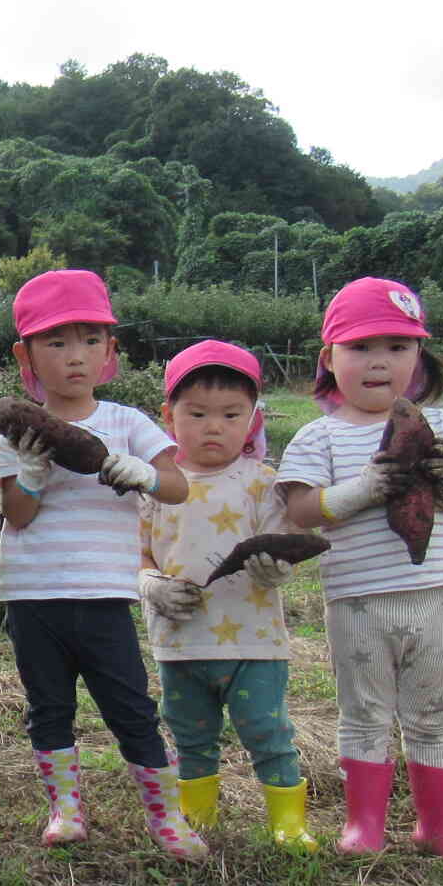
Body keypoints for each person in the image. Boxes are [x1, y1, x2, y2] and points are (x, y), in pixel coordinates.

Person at [275, 276, 443, 871]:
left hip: (439, 595)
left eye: (398, 347)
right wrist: (364, 490)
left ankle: (439, 828)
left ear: (418, 358)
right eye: (361, 348)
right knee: (365, 712)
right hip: (358, 599)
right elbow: (299, 510)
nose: (380, 362)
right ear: (330, 359)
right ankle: (363, 825)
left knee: (431, 714)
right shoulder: (318, 436)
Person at [0, 269, 206, 862]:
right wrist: (32, 473)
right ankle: (65, 809)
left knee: (131, 706)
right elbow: (18, 516)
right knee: (48, 707)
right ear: (25, 355)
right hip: (33, 595)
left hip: (105, 593)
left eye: (89, 341)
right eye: (56, 343)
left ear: (111, 353)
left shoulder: (128, 424)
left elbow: (178, 486)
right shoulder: (15, 434)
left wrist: (141, 473)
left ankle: (166, 819)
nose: (74, 357)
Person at [138, 341, 313, 848]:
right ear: (168, 416)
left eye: (231, 415)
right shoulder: (154, 485)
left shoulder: (262, 484)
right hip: (179, 639)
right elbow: (138, 555)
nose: (214, 426)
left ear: (253, 419)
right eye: (197, 414)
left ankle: (288, 823)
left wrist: (276, 570)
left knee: (267, 730)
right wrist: (150, 585)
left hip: (254, 643)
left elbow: (284, 550)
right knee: (190, 735)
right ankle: (199, 817)